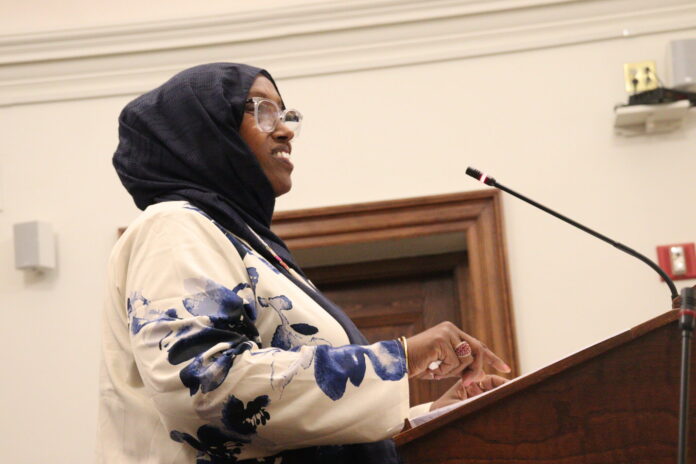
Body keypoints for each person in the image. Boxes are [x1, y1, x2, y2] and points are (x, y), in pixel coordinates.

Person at [98, 63, 510, 464]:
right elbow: (203, 387)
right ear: (202, 129)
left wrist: (430, 417)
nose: (285, 131)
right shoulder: (173, 227)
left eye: (286, 115)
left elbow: (297, 433)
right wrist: (398, 361)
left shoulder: (253, 248)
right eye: (262, 111)